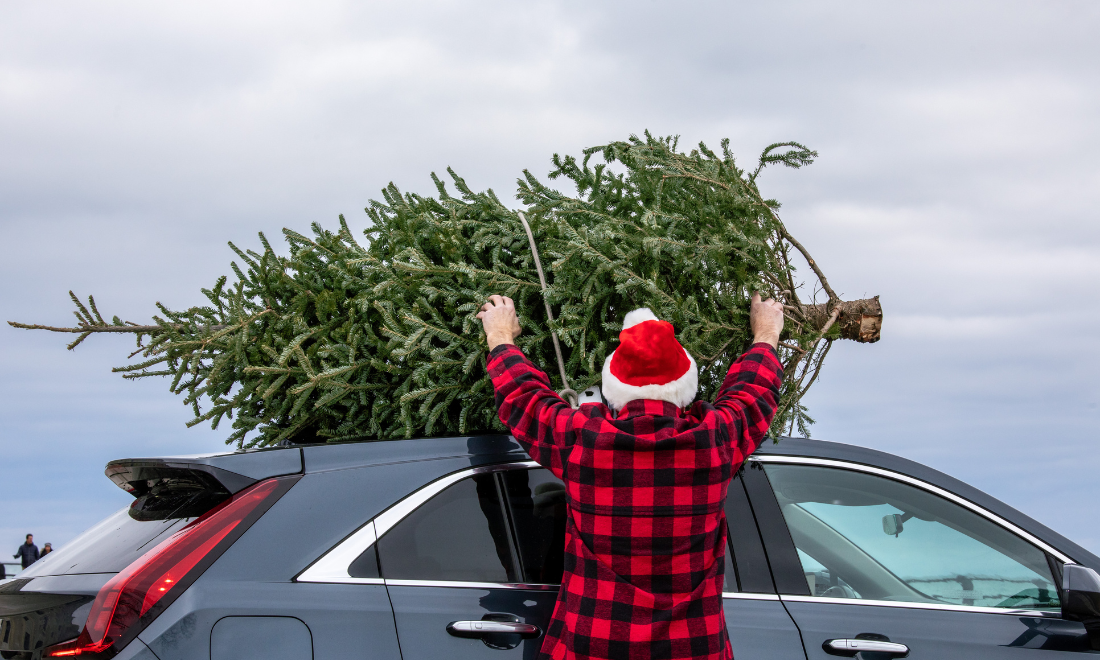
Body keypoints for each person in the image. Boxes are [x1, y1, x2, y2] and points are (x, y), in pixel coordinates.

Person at [478, 293, 784, 660]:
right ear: (685, 387)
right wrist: (765, 331)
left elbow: (525, 398)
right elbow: (752, 392)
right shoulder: (714, 441)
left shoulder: (585, 441)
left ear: (613, 389)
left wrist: (500, 336)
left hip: (593, 649)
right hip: (691, 650)